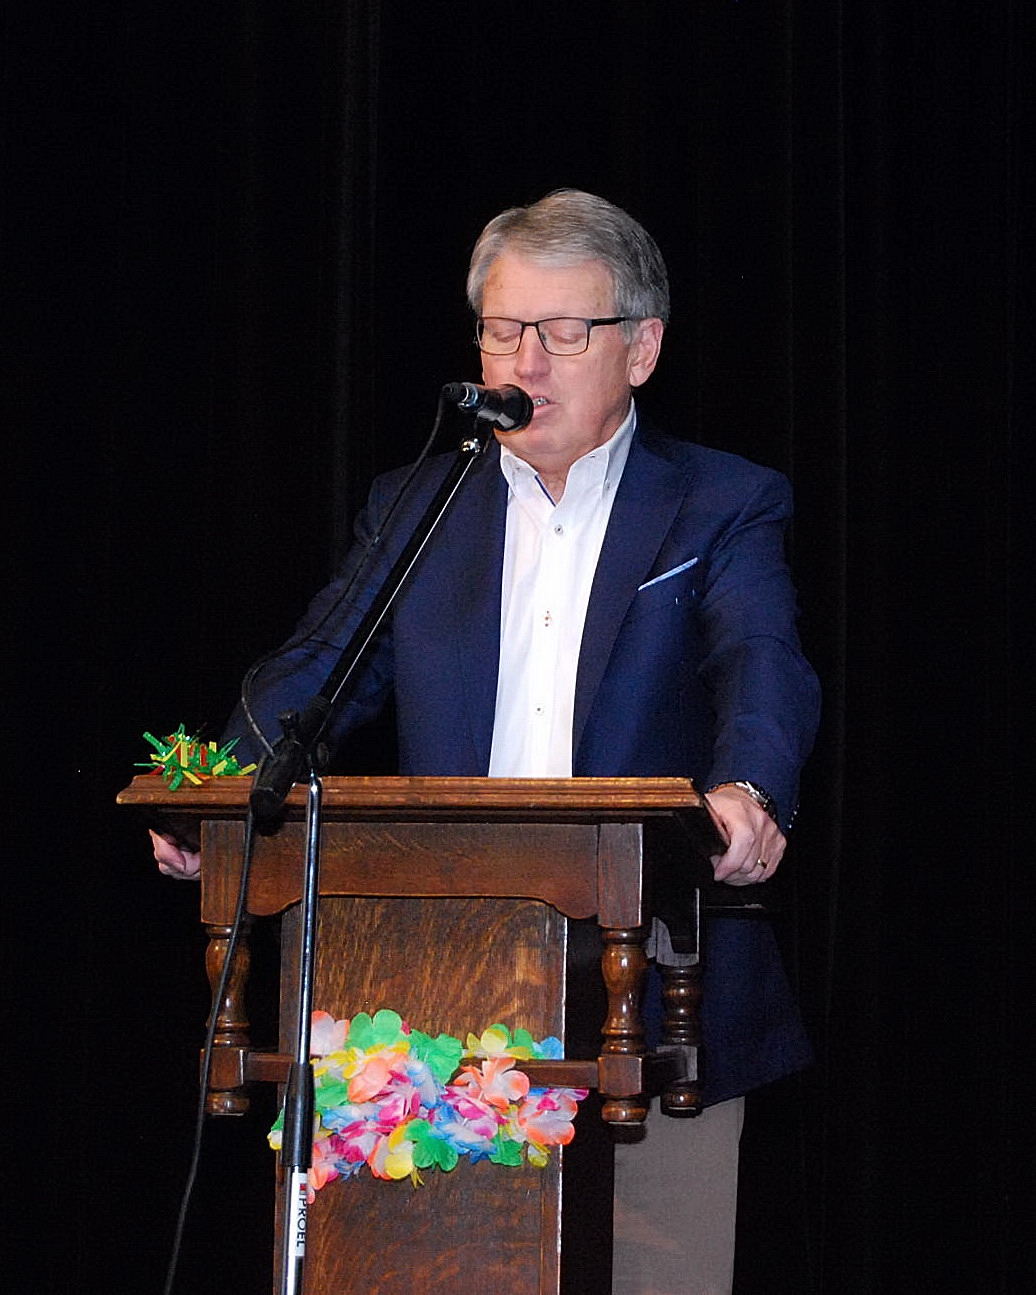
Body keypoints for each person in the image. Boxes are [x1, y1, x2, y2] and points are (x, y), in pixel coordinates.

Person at [153, 188, 820, 1294]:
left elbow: (761, 658)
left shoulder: (720, 500)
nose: (527, 361)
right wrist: (222, 793)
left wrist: (747, 786)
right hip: (438, 998)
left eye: (563, 331)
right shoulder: (419, 502)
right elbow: (319, 667)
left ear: (641, 348)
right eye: (503, 330)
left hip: (653, 1001)